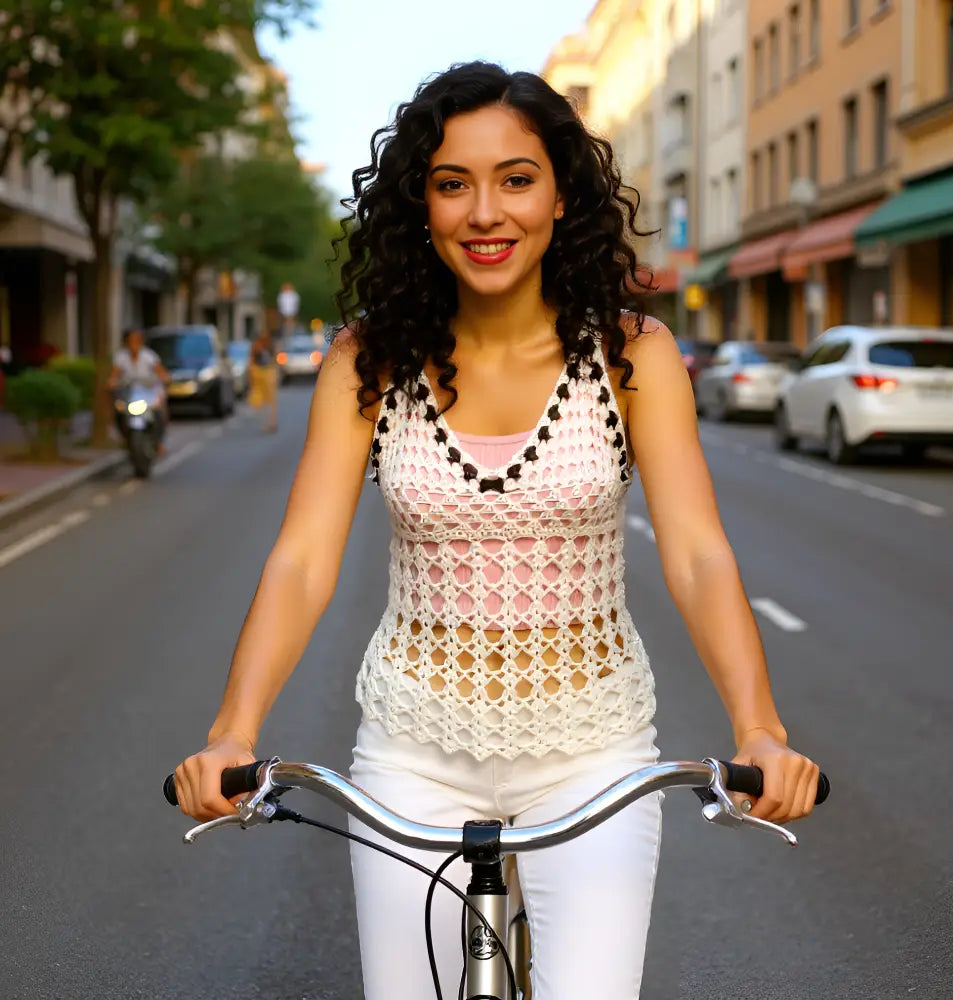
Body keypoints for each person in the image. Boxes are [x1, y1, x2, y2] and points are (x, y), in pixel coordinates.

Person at [173, 63, 820, 1000]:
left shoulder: (633, 353)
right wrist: (234, 733)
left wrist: (757, 730)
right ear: (419, 207)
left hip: (593, 758)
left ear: (562, 195)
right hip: (410, 755)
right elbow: (305, 557)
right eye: (451, 184)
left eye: (516, 179)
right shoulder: (369, 359)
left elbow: (695, 550)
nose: (486, 212)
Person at [108, 326, 170, 453]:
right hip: (129, 393)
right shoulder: (121, 357)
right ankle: (124, 437)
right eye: (131, 340)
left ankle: (158, 441)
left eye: (137, 340)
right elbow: (114, 375)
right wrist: (111, 382)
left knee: (159, 410)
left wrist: (165, 379)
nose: (134, 344)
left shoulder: (149, 356)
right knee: (118, 411)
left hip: (148, 392)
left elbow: (161, 373)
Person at [248, 329, 279, 433]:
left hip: (268, 373)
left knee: (270, 401)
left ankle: (271, 423)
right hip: (260, 374)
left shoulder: (270, 346)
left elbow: (274, 359)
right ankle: (266, 423)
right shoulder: (256, 347)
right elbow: (252, 360)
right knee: (261, 401)